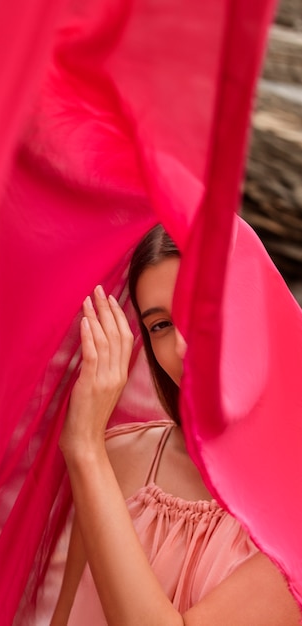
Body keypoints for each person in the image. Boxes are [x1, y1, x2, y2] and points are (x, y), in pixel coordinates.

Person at [50, 225, 300, 626]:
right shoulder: (116, 458)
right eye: (160, 326)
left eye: (200, 310)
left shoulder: (295, 497)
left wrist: (83, 449)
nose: (182, 345)